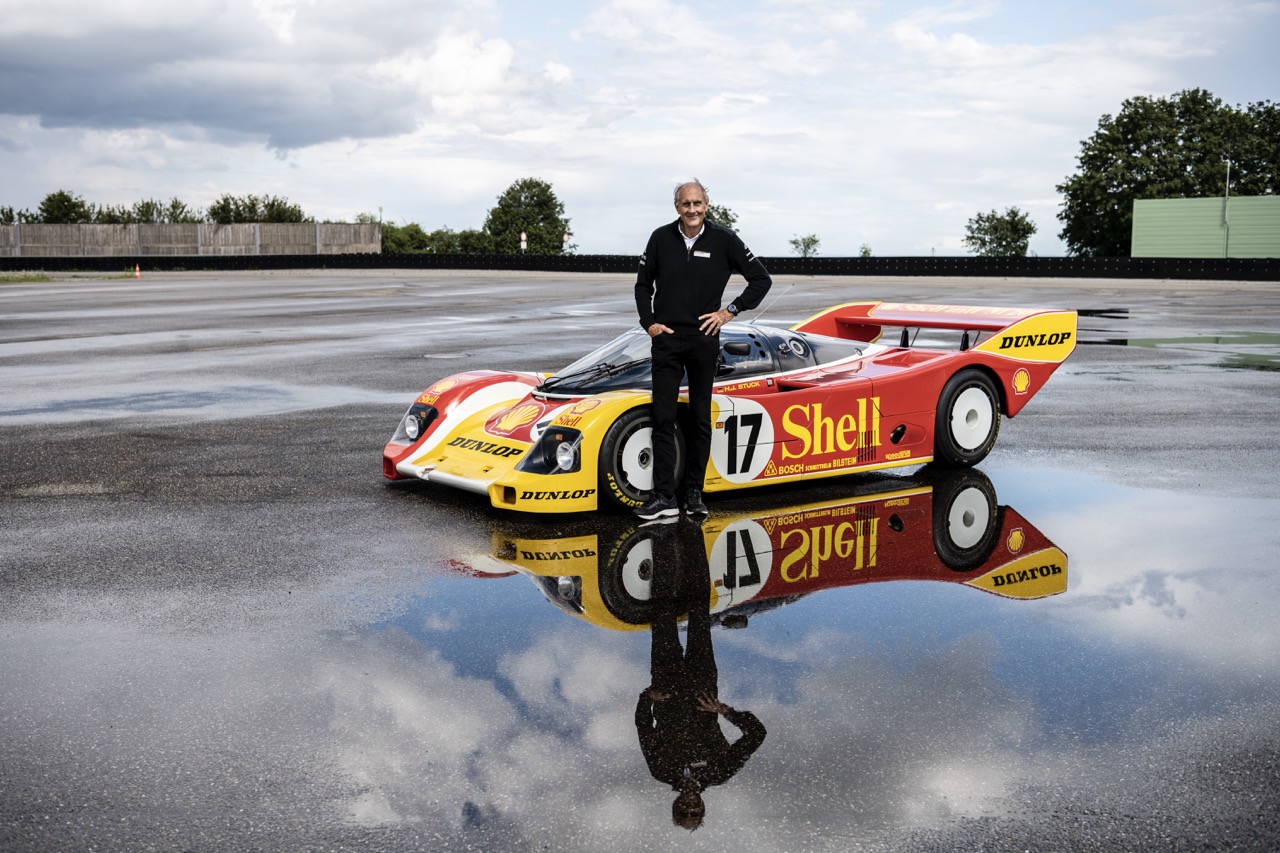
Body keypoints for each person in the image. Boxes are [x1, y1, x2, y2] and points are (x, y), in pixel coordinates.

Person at [633, 180, 773, 520]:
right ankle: (664, 496)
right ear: (677, 207)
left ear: (706, 205)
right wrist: (649, 322)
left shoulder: (724, 239)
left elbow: (761, 279)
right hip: (665, 341)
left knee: (699, 418)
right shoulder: (660, 238)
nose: (692, 210)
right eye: (685, 204)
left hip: (703, 340)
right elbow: (642, 285)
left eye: (697, 203)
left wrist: (730, 312)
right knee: (663, 419)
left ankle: (694, 493)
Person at [634, 519, 766, 830]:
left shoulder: (661, 771)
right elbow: (756, 735)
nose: (691, 808)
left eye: (684, 812)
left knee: (662, 609)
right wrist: (725, 711)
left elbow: (643, 726)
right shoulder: (720, 772)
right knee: (698, 608)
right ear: (702, 807)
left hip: (665, 682)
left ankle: (662, 533)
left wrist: (647, 697)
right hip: (702, 681)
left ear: (675, 806)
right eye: (696, 813)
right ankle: (693, 531)